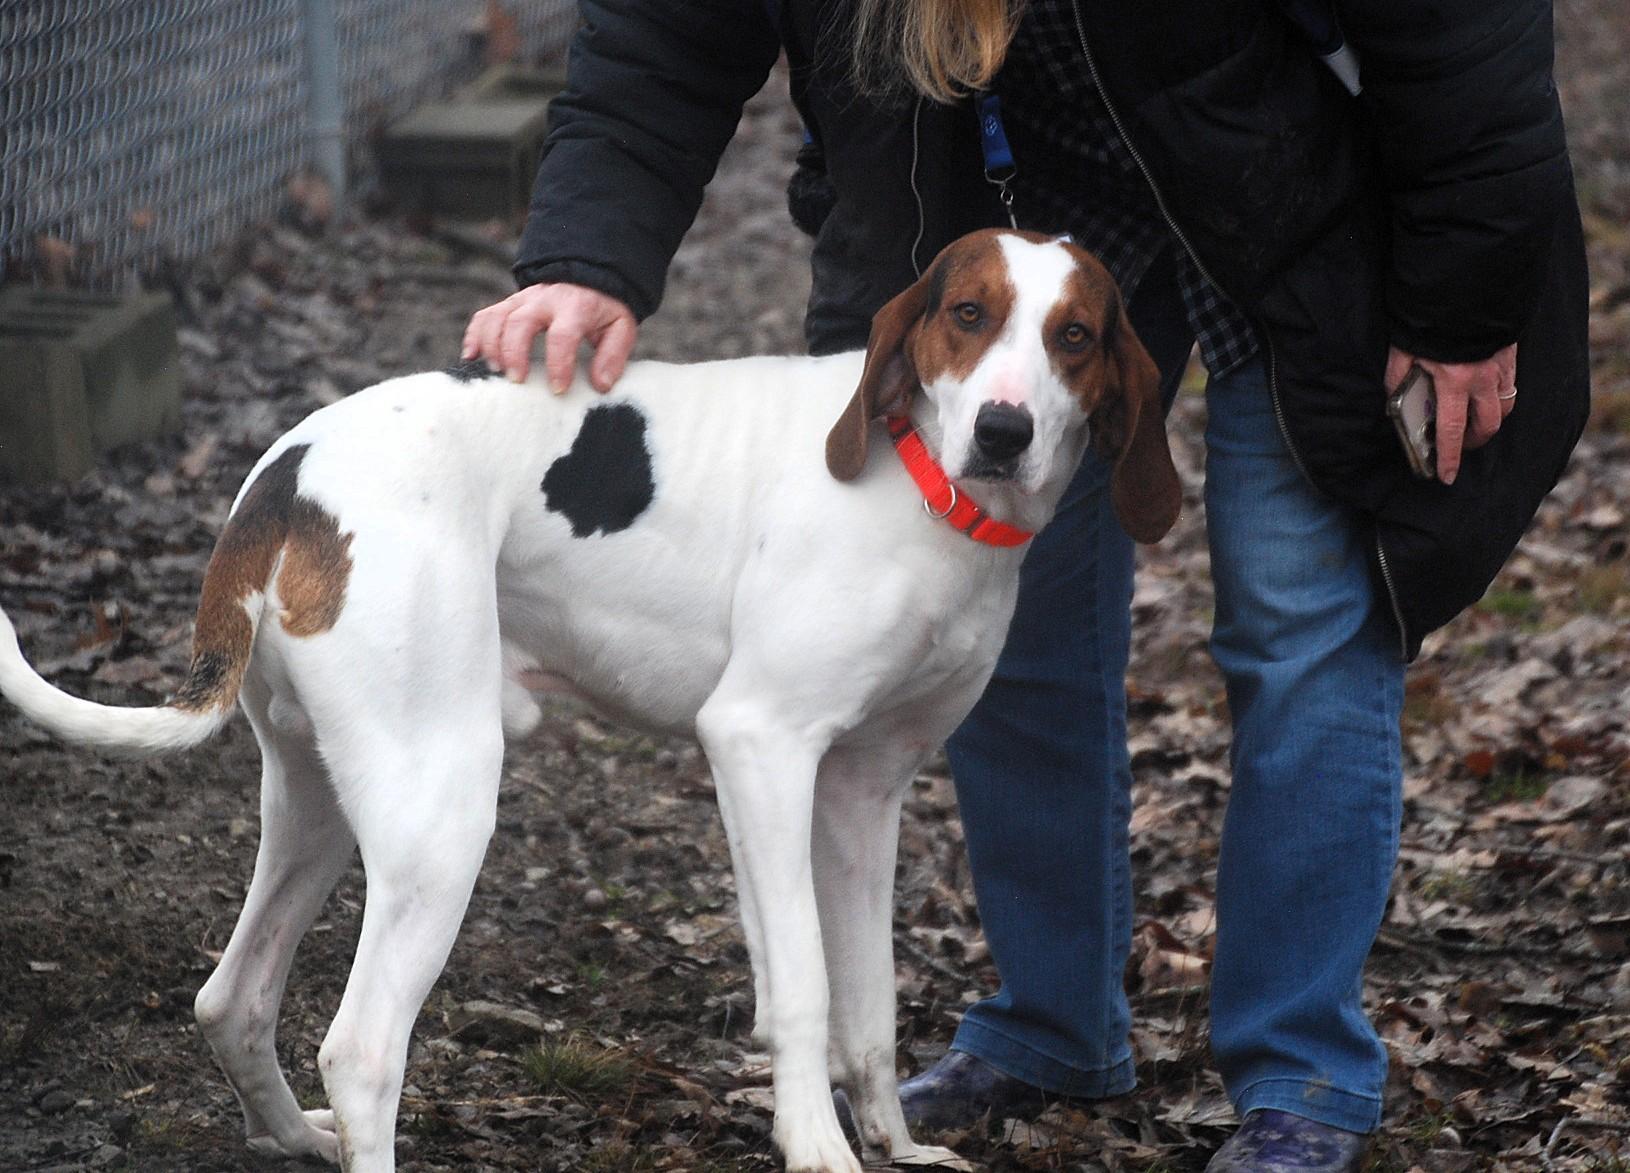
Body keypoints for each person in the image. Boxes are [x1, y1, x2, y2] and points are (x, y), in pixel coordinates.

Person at [463, 3, 1589, 1169]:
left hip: (1299, 187)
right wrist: (587, 252)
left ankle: (1302, 1073)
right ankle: (1050, 1029)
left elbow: (1462, 28)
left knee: (1301, 618)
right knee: (1002, 630)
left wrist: (1461, 295)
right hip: (990, 205)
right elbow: (665, 31)